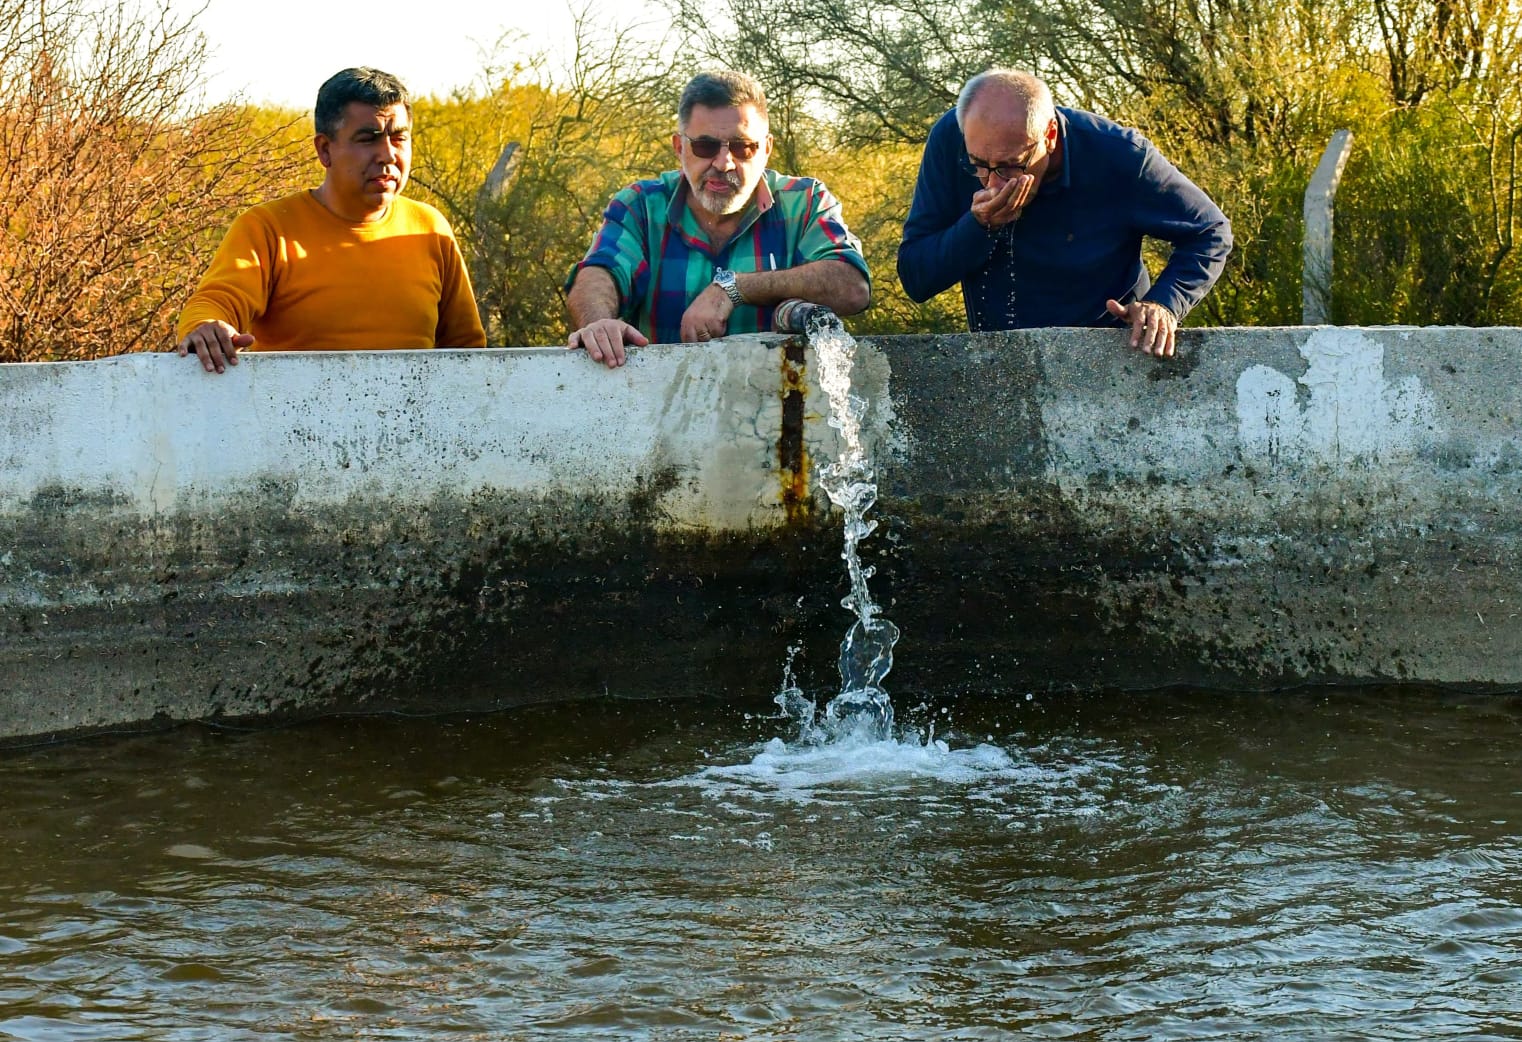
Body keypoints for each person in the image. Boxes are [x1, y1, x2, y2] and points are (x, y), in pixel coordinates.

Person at [898, 69, 1232, 358]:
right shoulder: (950, 139)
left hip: (1112, 358)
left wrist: (1165, 304)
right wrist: (979, 226)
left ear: (1050, 136)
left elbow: (1210, 231)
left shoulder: (1120, 155)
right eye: (979, 166)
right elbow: (917, 278)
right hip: (999, 365)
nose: (994, 183)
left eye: (1011, 166)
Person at [176, 67, 486, 374]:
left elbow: (466, 352)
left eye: (399, 138)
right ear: (325, 150)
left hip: (414, 422)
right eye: (369, 139)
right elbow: (215, 303)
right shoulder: (269, 228)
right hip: (291, 421)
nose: (388, 155)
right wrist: (205, 327)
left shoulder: (430, 228)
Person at [566, 71, 871, 368]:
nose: (724, 163)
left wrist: (735, 288)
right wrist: (599, 323)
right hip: (659, 409)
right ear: (679, 147)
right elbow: (599, 273)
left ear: (766, 149)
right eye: (705, 146)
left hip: (778, 410)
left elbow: (852, 286)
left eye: (743, 147)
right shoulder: (640, 206)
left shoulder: (805, 202)